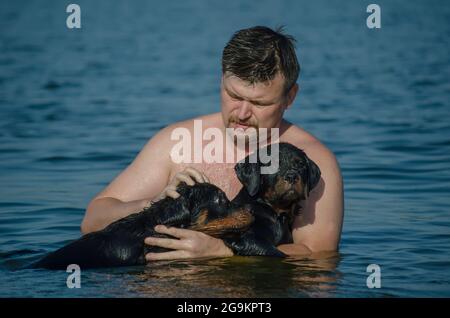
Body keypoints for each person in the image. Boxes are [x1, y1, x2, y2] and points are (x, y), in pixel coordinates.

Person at [81, 26, 344, 261]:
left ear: (290, 97)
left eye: (259, 103)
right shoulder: (176, 142)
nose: (241, 113)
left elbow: (318, 255)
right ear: (221, 80)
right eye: (233, 95)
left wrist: (223, 252)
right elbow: (92, 221)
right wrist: (153, 203)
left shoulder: (310, 162)